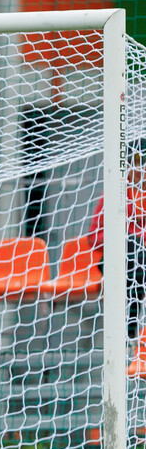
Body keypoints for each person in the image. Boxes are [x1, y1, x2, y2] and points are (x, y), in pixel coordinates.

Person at [87, 143, 146, 338]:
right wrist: (118, 236)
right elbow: (94, 238)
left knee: (137, 253)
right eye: (135, 162)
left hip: (140, 262)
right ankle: (128, 332)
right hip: (116, 260)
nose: (139, 168)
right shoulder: (113, 196)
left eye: (143, 162)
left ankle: (126, 333)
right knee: (131, 248)